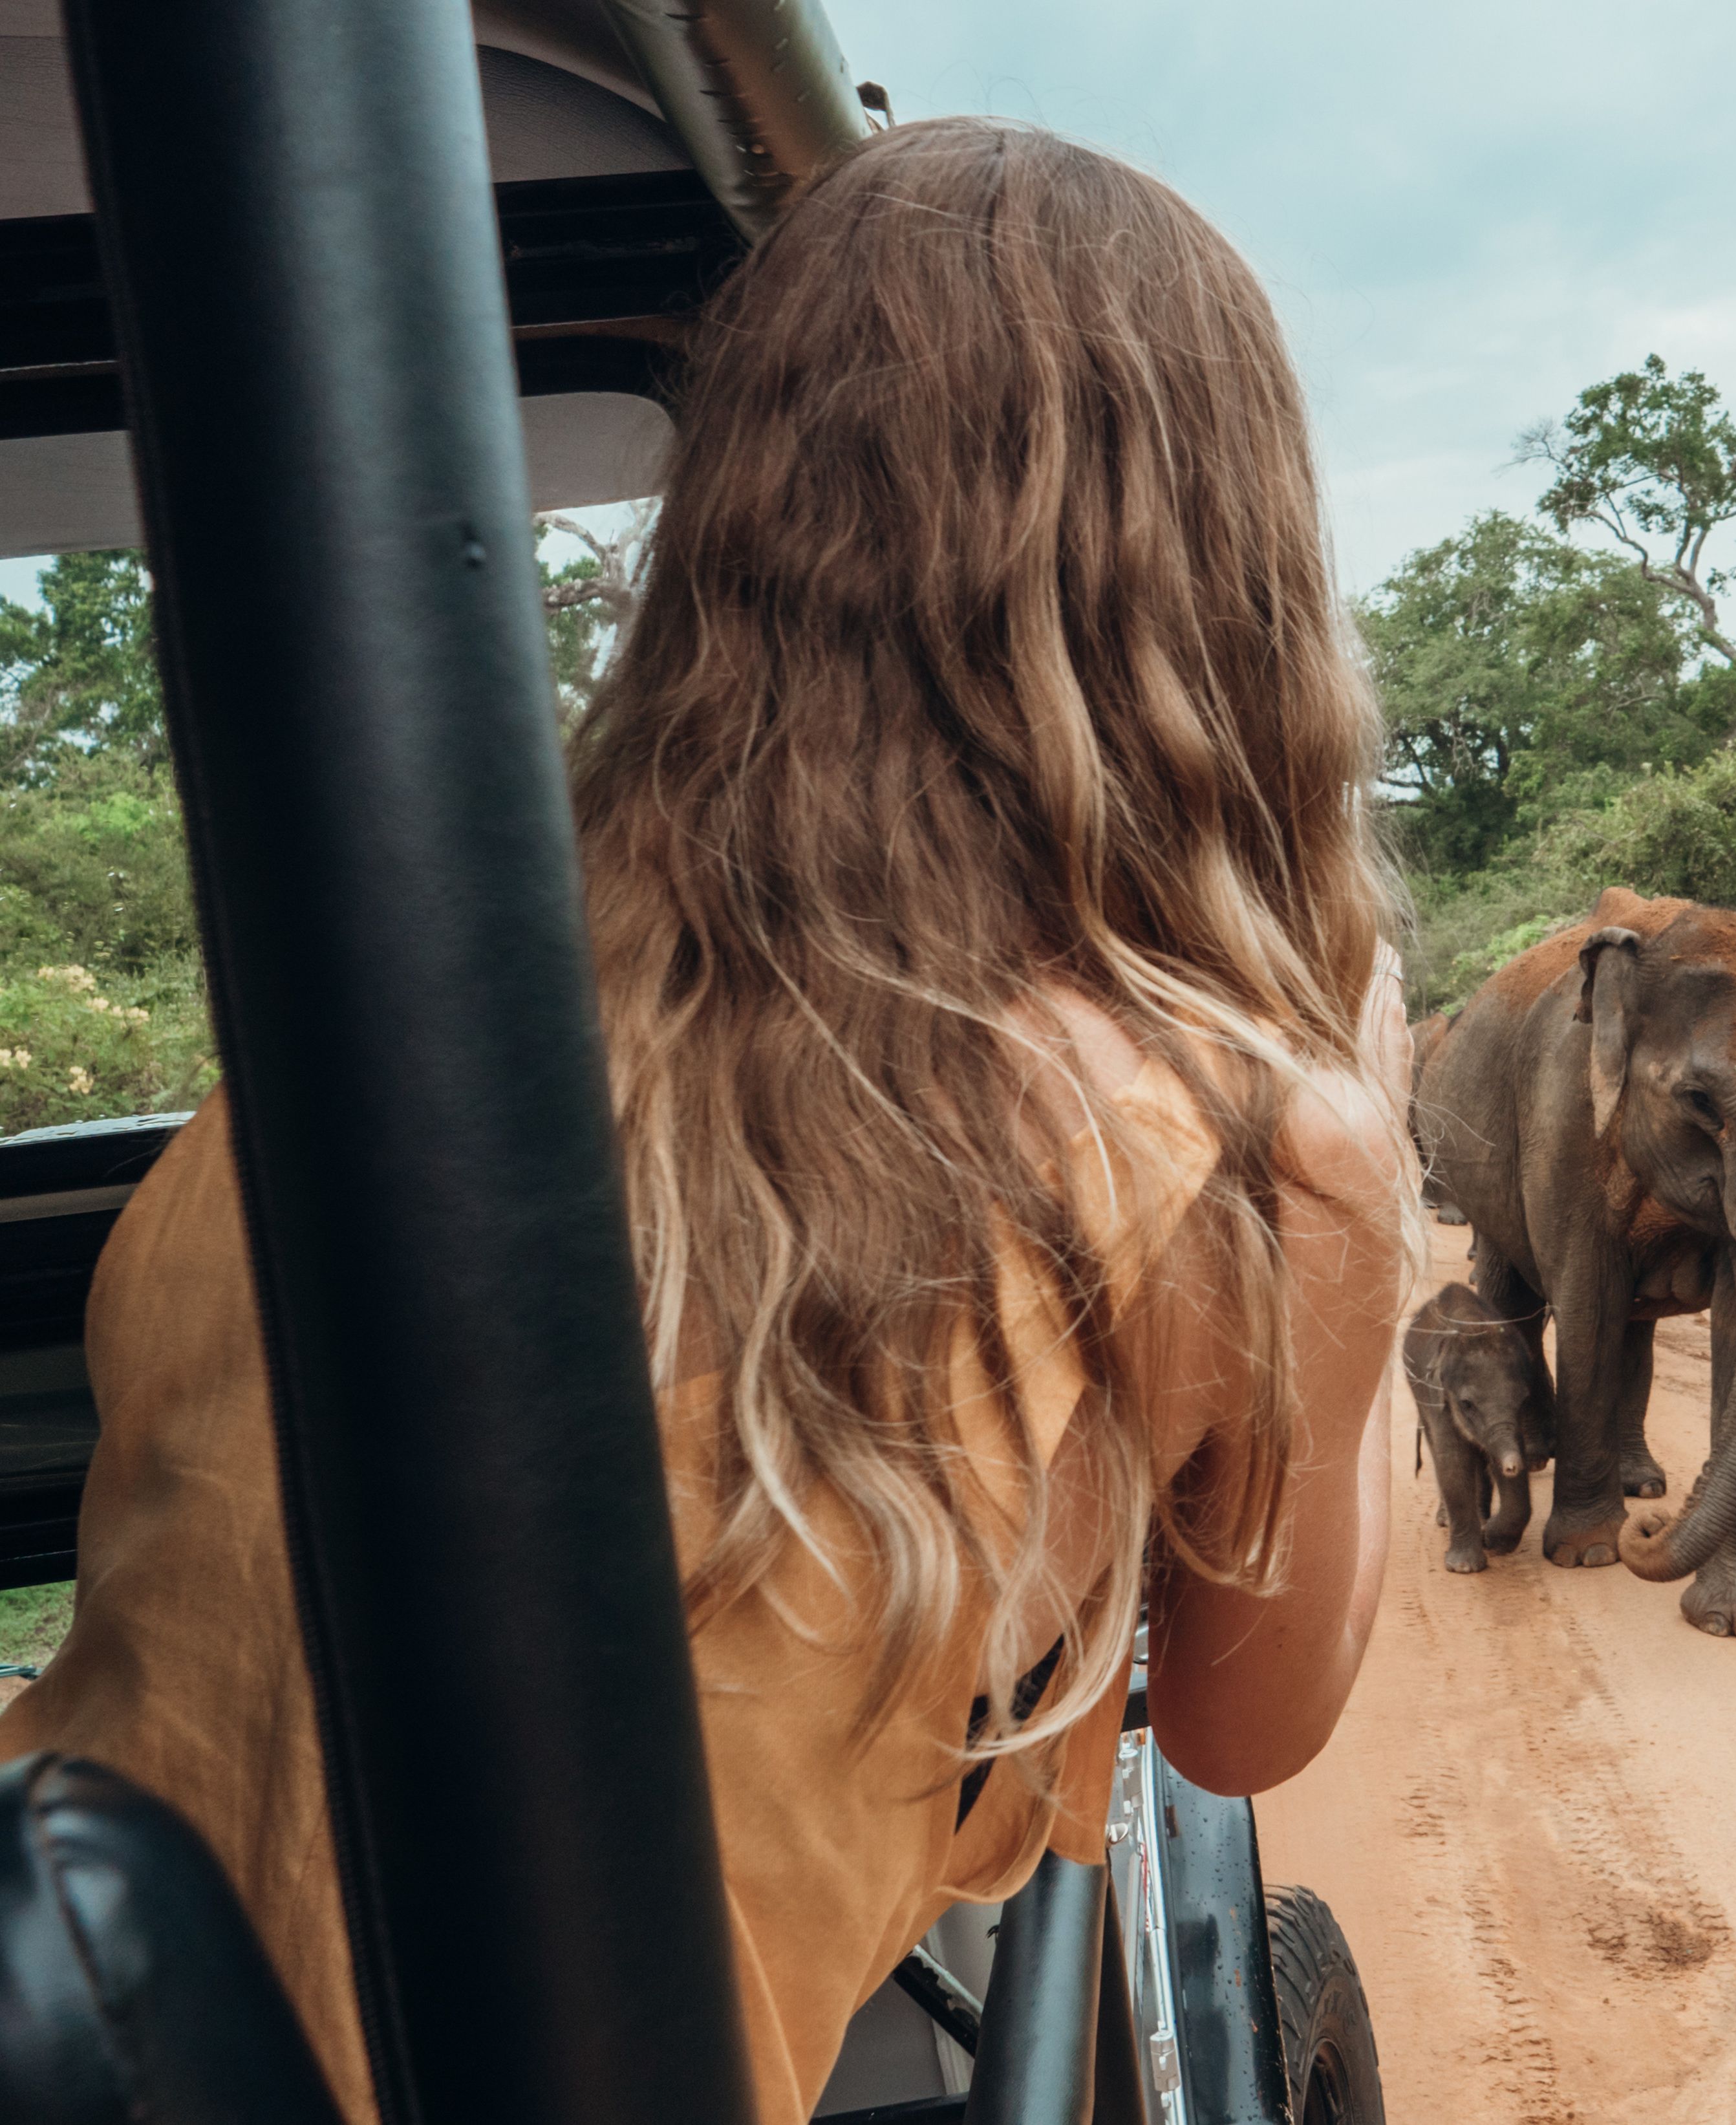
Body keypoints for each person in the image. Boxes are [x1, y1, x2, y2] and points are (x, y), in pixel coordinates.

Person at [0, 118, 1416, 2125]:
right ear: (1237, 572)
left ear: (735, 512)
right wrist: (1364, 1179)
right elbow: (1247, 1730)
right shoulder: (1224, 1142)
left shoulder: (355, 1049)